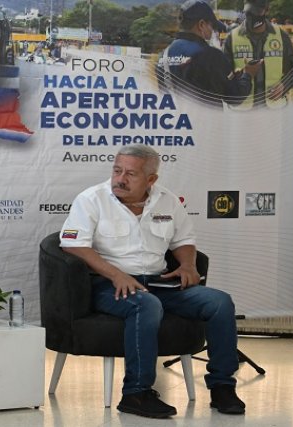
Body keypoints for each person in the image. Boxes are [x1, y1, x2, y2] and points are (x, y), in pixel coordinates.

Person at [59, 145, 245, 418]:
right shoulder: (91, 199)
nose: (120, 178)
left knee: (219, 302)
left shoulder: (167, 200)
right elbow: (72, 245)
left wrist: (188, 265)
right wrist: (116, 274)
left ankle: (222, 387)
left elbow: (183, 240)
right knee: (145, 305)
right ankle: (136, 393)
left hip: (160, 283)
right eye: (117, 170)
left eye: (130, 174)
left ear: (151, 179)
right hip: (109, 284)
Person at [155, 0, 259, 108]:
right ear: (201, 24)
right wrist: (248, 74)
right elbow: (235, 98)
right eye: (212, 25)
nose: (213, 30)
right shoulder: (211, 56)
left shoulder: (163, 55)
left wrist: (232, 77)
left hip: (176, 122)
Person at [222, 0, 293, 109]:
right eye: (249, 12)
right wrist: (237, 76)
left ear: (267, 10)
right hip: (242, 113)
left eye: (256, 12)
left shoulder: (281, 36)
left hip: (274, 112)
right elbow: (223, 78)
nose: (252, 16)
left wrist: (284, 85)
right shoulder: (232, 38)